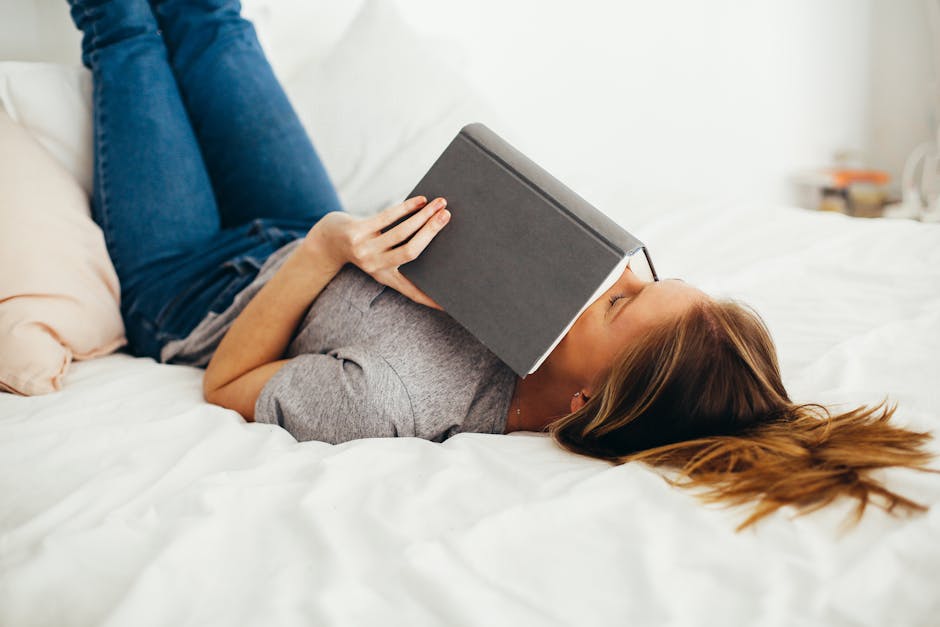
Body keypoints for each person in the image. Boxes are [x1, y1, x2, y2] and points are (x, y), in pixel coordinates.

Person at [68, 0, 937, 531]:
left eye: (620, 302)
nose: (604, 276)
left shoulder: (395, 399)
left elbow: (228, 383)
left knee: (128, 28)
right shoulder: (539, 309)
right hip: (304, 224)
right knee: (210, 17)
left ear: (590, 402)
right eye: (636, 273)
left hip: (197, 288)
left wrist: (330, 244)